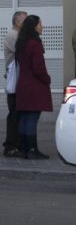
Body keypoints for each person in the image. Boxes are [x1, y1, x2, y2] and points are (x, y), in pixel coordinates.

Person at [15, 15, 52, 159]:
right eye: (40, 24)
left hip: (23, 84)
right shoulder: (34, 44)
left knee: (24, 117)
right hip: (34, 86)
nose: (42, 27)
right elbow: (39, 68)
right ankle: (32, 149)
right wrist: (47, 79)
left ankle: (24, 148)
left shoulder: (21, 42)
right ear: (34, 27)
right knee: (32, 118)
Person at [3, 11, 27, 157]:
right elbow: (23, 52)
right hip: (15, 81)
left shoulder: (17, 35)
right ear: (17, 22)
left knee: (18, 113)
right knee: (14, 113)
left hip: (18, 80)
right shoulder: (13, 35)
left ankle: (16, 144)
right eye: (25, 21)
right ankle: (10, 146)